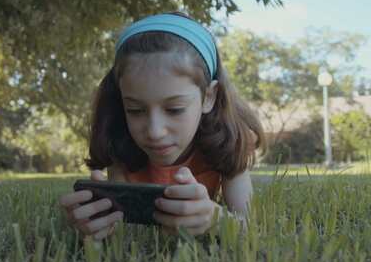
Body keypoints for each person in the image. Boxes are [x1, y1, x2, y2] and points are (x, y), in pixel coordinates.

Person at [59, 12, 264, 240]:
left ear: (208, 97)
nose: (155, 132)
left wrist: (217, 220)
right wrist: (95, 227)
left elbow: (248, 230)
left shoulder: (230, 144)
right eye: (135, 111)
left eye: (174, 109)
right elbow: (120, 235)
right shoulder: (120, 147)